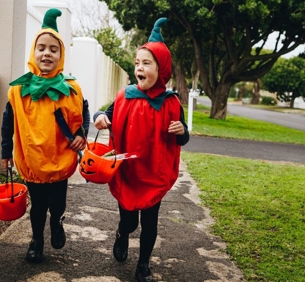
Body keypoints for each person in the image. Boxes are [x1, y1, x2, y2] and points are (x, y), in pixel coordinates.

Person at [93, 18, 189, 282]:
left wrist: (182, 131)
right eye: (137, 63)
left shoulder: (171, 103)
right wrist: (100, 116)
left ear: (162, 69)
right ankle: (122, 234)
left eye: (147, 63)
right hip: (128, 171)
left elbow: (183, 139)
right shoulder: (126, 96)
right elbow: (105, 113)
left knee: (149, 223)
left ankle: (144, 264)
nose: (139, 68)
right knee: (129, 221)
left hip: (154, 173)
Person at [0, 8, 89, 263]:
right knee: (38, 206)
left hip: (60, 158)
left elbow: (83, 111)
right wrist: (6, 151)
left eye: (53, 49)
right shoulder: (19, 90)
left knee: (57, 204)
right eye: (41, 47)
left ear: (61, 55)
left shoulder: (71, 88)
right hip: (32, 160)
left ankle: (58, 221)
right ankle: (36, 239)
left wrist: (82, 134)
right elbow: (8, 123)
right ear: (33, 52)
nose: (46, 53)